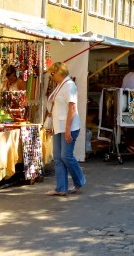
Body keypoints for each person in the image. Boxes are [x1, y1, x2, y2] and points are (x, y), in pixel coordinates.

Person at [46, 62, 86, 196]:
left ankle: (79, 181)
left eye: (53, 73)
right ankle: (61, 188)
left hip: (69, 126)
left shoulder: (69, 86)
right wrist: (53, 124)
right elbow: (57, 107)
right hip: (59, 126)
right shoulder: (60, 85)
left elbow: (72, 108)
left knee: (66, 156)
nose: (52, 76)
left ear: (59, 73)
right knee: (58, 157)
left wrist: (68, 129)